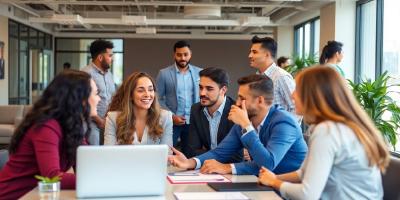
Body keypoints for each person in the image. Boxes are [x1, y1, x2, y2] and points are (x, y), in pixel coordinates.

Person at [258, 66, 390, 200]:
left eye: (297, 90)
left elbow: (307, 195)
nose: (292, 95)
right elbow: (303, 173)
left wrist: (275, 182)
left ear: (314, 95)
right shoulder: (339, 127)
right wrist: (274, 178)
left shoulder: (327, 131)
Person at [168, 74, 307, 176]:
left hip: (290, 191)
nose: (237, 102)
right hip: (263, 184)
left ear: (260, 100)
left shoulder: (284, 122)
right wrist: (190, 163)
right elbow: (220, 152)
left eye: (242, 98)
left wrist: (246, 126)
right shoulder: (245, 120)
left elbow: (268, 163)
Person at [0, 70, 100, 199]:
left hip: (38, 195)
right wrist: (98, 179)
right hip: (14, 196)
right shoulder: (47, 126)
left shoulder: (72, 126)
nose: (99, 99)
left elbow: (87, 164)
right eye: (96, 94)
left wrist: (101, 174)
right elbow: (52, 176)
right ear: (81, 99)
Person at [156, 40, 202, 156]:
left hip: (193, 122)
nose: (182, 58)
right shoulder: (164, 73)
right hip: (172, 122)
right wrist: (172, 116)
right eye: (179, 54)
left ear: (190, 54)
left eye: (185, 54)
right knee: (167, 152)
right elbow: (158, 98)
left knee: (190, 155)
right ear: (174, 55)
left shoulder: (200, 73)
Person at [104, 72, 173, 148]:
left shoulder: (166, 117)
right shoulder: (112, 118)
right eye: (141, 90)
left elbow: (167, 154)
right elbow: (109, 153)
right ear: (130, 95)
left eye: (150, 89)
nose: (147, 94)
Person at [186, 67, 241, 162]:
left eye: (209, 89)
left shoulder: (236, 110)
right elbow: (191, 151)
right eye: (201, 87)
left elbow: (236, 157)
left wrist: (206, 153)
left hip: (231, 171)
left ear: (223, 90)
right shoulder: (196, 109)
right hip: (206, 170)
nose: (202, 93)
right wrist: (221, 154)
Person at [248, 36, 296, 116]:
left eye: (254, 52)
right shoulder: (256, 77)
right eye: (250, 52)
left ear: (267, 55)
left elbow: (296, 107)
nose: (250, 55)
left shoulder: (281, 77)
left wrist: (286, 127)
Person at [81, 39, 116, 145]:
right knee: (94, 155)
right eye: (109, 56)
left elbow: (112, 97)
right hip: (92, 124)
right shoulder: (85, 74)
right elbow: (83, 102)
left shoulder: (109, 74)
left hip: (108, 123)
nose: (112, 59)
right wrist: (99, 121)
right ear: (100, 57)